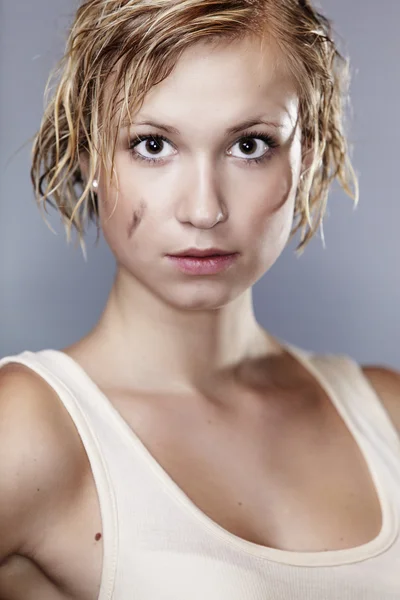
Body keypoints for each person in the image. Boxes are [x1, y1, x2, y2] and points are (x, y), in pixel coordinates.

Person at [0, 0, 399, 598]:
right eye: (153, 145)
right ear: (87, 152)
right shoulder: (25, 430)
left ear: (306, 156)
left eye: (250, 146)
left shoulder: (387, 414)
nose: (204, 210)